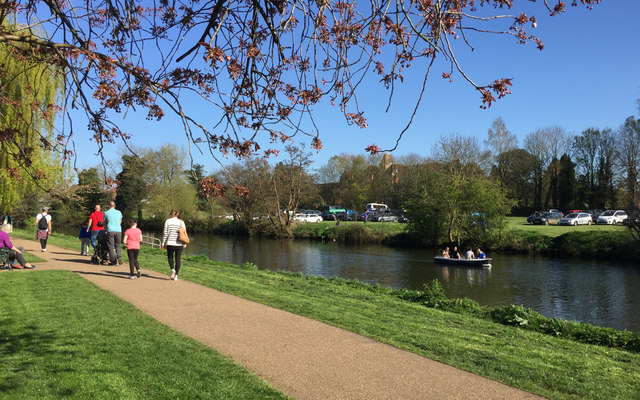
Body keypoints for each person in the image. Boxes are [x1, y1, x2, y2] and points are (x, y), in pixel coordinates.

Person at [162, 209, 187, 281]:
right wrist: (184, 243)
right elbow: (184, 233)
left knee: (170, 257)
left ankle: (172, 269)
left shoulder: (168, 221)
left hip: (170, 243)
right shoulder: (181, 222)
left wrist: (163, 243)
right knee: (178, 259)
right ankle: (176, 275)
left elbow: (165, 233)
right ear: (177, 215)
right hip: (179, 244)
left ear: (171, 214)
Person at [103, 201, 123, 265]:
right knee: (118, 245)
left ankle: (113, 260)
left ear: (109, 206)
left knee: (111, 246)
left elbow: (104, 222)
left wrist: (105, 229)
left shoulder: (106, 213)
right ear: (115, 205)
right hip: (118, 230)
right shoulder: (119, 212)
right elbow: (120, 221)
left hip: (110, 230)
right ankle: (119, 256)